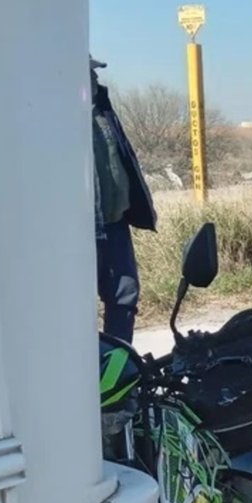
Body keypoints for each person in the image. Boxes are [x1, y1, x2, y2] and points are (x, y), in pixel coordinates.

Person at [90, 57, 157, 343]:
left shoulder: (103, 110)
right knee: (76, 305)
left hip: (114, 222)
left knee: (124, 295)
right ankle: (86, 373)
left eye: (93, 72)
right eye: (87, 73)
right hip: (82, 229)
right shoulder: (57, 119)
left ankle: (118, 368)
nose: (94, 79)